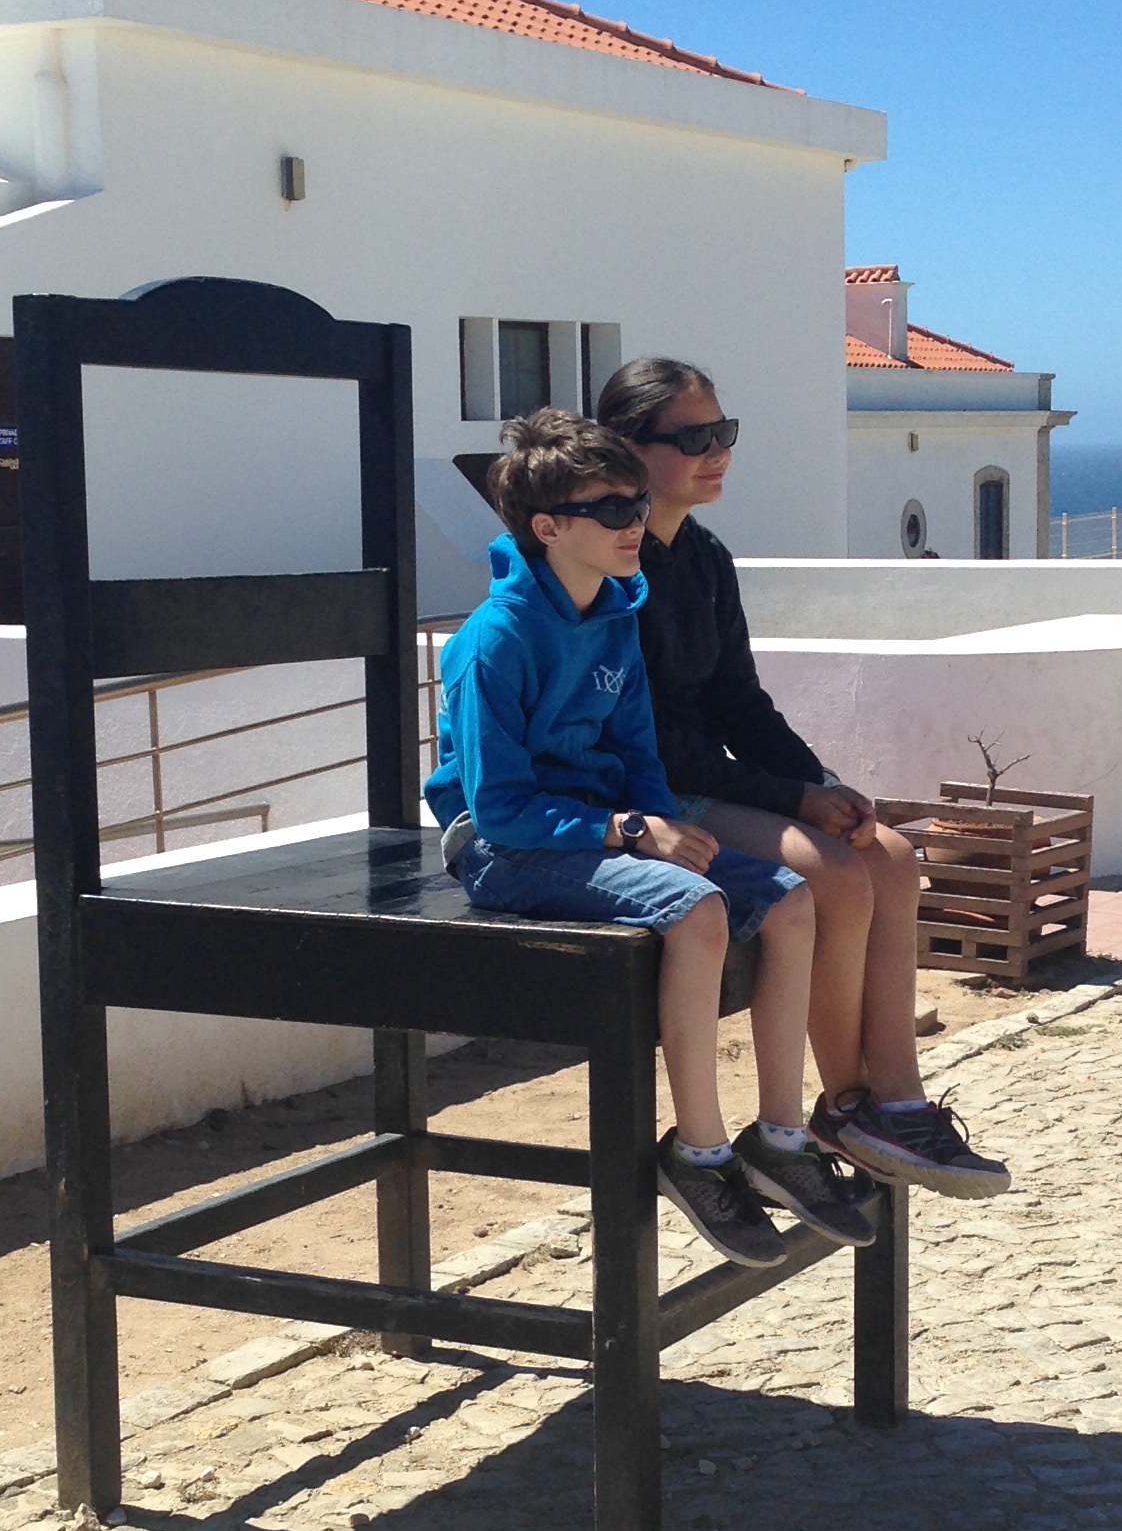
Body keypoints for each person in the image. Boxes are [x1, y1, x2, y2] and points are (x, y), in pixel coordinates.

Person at [423, 408, 875, 1268]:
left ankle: (780, 1139)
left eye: (635, 504)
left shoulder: (617, 615)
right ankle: (697, 1155)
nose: (635, 523)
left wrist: (659, 824)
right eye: (610, 510)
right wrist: (630, 830)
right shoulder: (495, 641)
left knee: (790, 903)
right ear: (548, 528)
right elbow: (500, 807)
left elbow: (639, 756)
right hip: (506, 846)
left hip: (604, 831)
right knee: (698, 911)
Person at [596, 356, 1010, 1201]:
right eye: (694, 438)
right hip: (642, 795)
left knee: (891, 854)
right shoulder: (613, 566)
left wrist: (822, 784)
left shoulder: (704, 558)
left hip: (704, 779)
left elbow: (740, 703)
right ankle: (845, 1105)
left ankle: (899, 1099)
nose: (718, 452)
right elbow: (658, 743)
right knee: (834, 873)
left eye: (725, 433)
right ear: (628, 447)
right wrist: (795, 799)